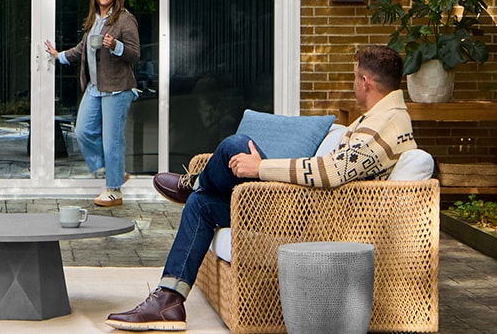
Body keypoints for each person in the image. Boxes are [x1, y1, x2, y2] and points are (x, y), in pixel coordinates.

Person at [105, 45, 416, 331]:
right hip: (303, 205)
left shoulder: (387, 123)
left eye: (354, 78)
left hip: (308, 216)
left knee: (236, 146)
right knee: (202, 205)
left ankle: (196, 183)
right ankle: (169, 300)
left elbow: (332, 172)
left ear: (365, 81)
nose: (353, 84)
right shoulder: (380, 116)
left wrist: (261, 168)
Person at [45, 0, 141, 207]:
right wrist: (59, 56)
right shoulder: (95, 19)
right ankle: (114, 171)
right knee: (82, 131)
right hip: (95, 87)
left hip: (117, 88)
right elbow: (82, 49)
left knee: (112, 141)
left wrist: (115, 45)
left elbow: (135, 54)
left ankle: (114, 190)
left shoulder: (125, 19)